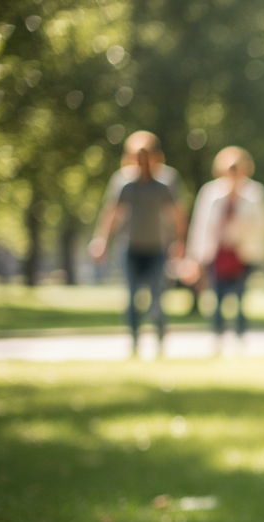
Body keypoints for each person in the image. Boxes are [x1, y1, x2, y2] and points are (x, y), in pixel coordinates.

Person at [89, 132, 187, 357]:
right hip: (130, 248)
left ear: (155, 156)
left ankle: (161, 343)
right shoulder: (123, 183)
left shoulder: (165, 183)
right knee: (132, 298)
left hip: (157, 249)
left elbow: (177, 216)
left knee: (157, 299)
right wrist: (102, 241)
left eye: (146, 155)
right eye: (137, 155)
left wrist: (180, 243)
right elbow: (112, 215)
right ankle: (134, 343)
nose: (142, 160)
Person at [186, 146, 264, 351]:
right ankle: (216, 336)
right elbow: (200, 226)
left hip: (242, 252)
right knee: (215, 296)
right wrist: (194, 257)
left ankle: (240, 336)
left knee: (240, 297)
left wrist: (239, 228)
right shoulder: (210, 193)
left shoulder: (255, 193)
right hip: (216, 253)